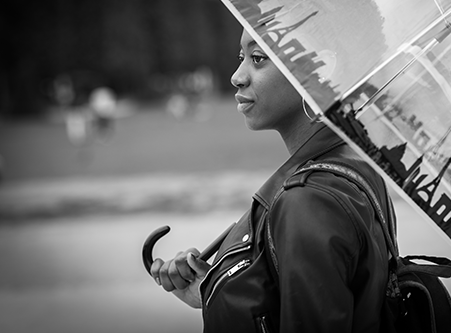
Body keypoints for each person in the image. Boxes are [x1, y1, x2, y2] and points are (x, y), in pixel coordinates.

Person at [149, 28, 393, 332]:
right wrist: (217, 290)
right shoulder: (356, 164)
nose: (237, 76)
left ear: (318, 70)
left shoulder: (309, 200)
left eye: (258, 58)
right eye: (241, 57)